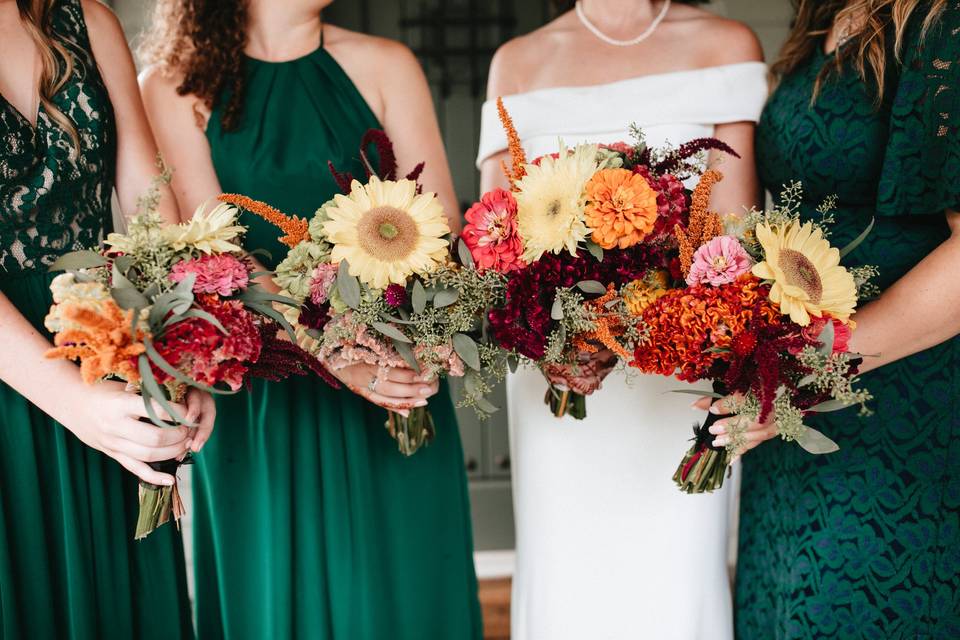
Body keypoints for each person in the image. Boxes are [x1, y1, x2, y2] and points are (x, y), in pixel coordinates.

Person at [139, 1, 482, 637]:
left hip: (394, 379)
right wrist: (334, 349)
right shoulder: (173, 85)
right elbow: (213, 246)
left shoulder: (386, 64)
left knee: (403, 595)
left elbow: (440, 226)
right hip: (265, 388)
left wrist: (399, 334)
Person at [477, 1, 766, 638]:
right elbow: (493, 242)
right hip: (557, 377)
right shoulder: (518, 63)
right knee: (566, 578)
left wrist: (649, 305)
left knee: (676, 574)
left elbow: (731, 248)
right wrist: (563, 325)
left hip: (677, 371)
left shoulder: (725, 44)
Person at [702, 1, 960, 637]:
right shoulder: (825, 16)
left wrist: (817, 360)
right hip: (794, 398)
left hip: (902, 402)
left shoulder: (942, 20)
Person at [0, 0, 213, 637]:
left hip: (111, 352)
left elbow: (152, 203)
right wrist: (76, 403)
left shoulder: (87, 21)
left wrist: (190, 350)